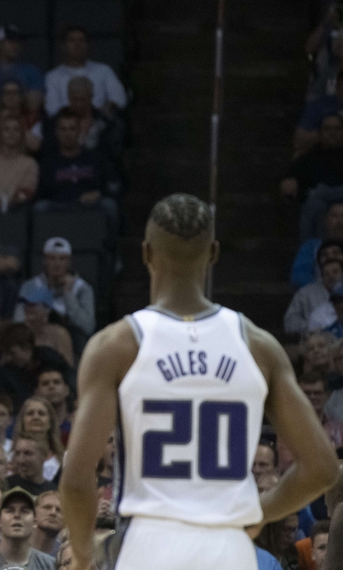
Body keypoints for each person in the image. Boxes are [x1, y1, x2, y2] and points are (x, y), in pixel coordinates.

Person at [59, 193, 340, 570]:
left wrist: (80, 557)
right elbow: (322, 468)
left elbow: (77, 480)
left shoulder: (115, 346)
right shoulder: (258, 345)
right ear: (214, 254)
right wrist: (258, 512)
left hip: (148, 544)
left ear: (146, 254)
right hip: (229, 547)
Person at [35, 108, 120, 238]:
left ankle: (111, 255)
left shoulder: (95, 159)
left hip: (89, 206)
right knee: (40, 208)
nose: (68, 134)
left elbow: (112, 186)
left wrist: (99, 193)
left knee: (109, 205)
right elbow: (42, 193)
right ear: (56, 132)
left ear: (79, 131)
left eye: (72, 129)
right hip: (58, 206)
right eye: (63, 129)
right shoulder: (47, 163)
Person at [15, 237, 96, 339]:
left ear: (69, 262)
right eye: (52, 258)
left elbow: (88, 327)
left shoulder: (82, 288)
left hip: (71, 342)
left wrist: (68, 294)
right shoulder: (31, 286)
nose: (57, 264)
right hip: (36, 337)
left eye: (62, 259)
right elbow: (18, 322)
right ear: (44, 260)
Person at [44, 26, 126, 117]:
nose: (77, 44)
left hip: (99, 124)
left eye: (81, 40)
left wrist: (106, 111)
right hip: (66, 126)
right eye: (72, 40)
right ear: (64, 46)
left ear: (88, 45)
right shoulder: (52, 76)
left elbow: (120, 99)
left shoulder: (104, 70)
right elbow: (52, 109)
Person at [0, 487, 56, 570]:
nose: (17, 515)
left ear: (35, 522)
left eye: (24, 511)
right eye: (10, 510)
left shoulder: (49, 565)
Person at [286, 258, 343, 335]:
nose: (331, 276)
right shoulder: (306, 295)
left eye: (335, 272)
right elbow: (290, 323)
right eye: (326, 274)